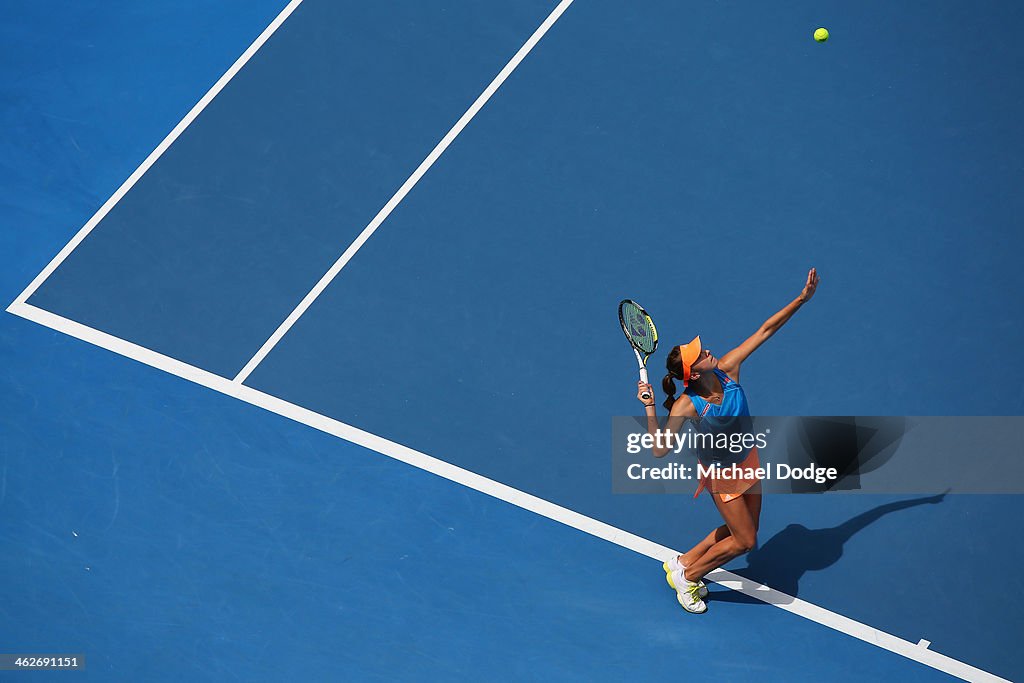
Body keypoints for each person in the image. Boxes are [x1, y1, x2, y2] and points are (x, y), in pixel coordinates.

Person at [636, 268, 820, 613]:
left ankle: (683, 560)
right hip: (723, 476)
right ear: (695, 373)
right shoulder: (687, 405)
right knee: (746, 541)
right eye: (702, 355)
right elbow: (659, 450)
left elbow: (766, 329)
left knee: (744, 530)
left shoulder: (729, 368)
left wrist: (801, 299)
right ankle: (689, 577)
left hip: (748, 460)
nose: (709, 352)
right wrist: (649, 408)